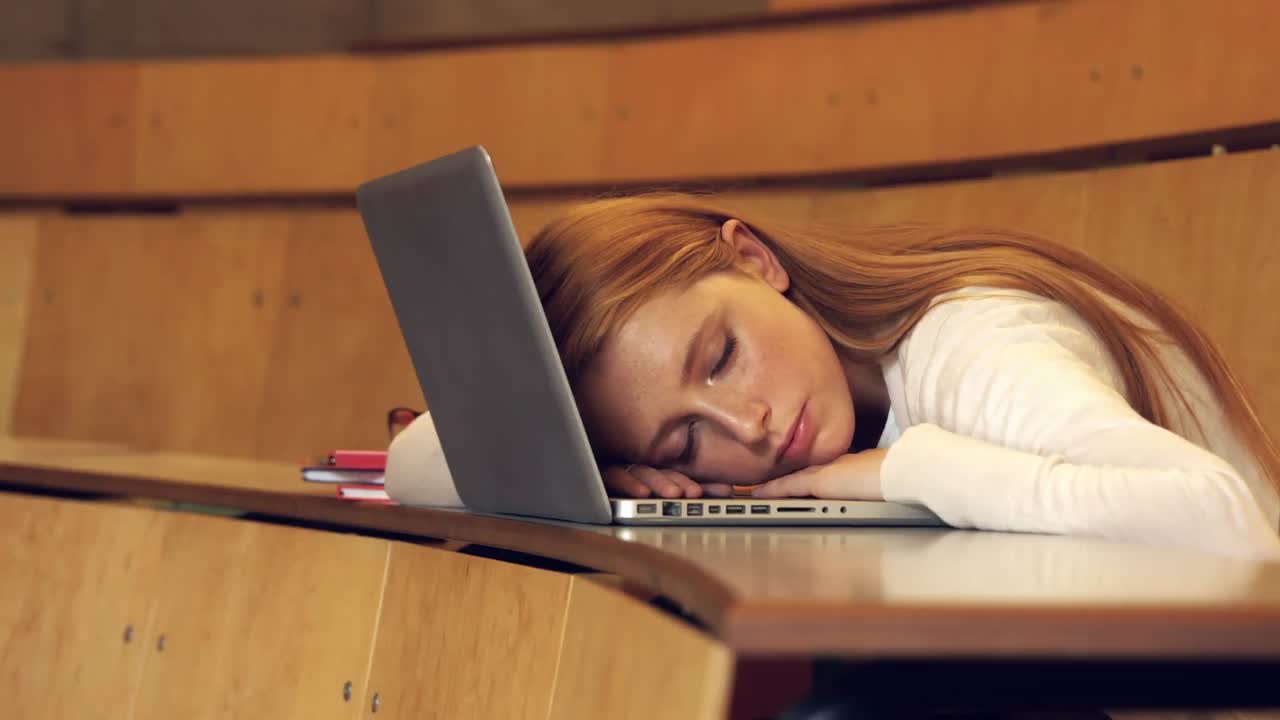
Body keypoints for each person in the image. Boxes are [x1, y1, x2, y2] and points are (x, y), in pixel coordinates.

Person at [522, 193, 1280, 558]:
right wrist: (592, 467)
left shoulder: (973, 347)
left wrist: (900, 472)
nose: (746, 424)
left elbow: (1216, 516)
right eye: (685, 441)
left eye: (721, 358)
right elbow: (427, 462)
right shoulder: (859, 391)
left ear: (756, 260)